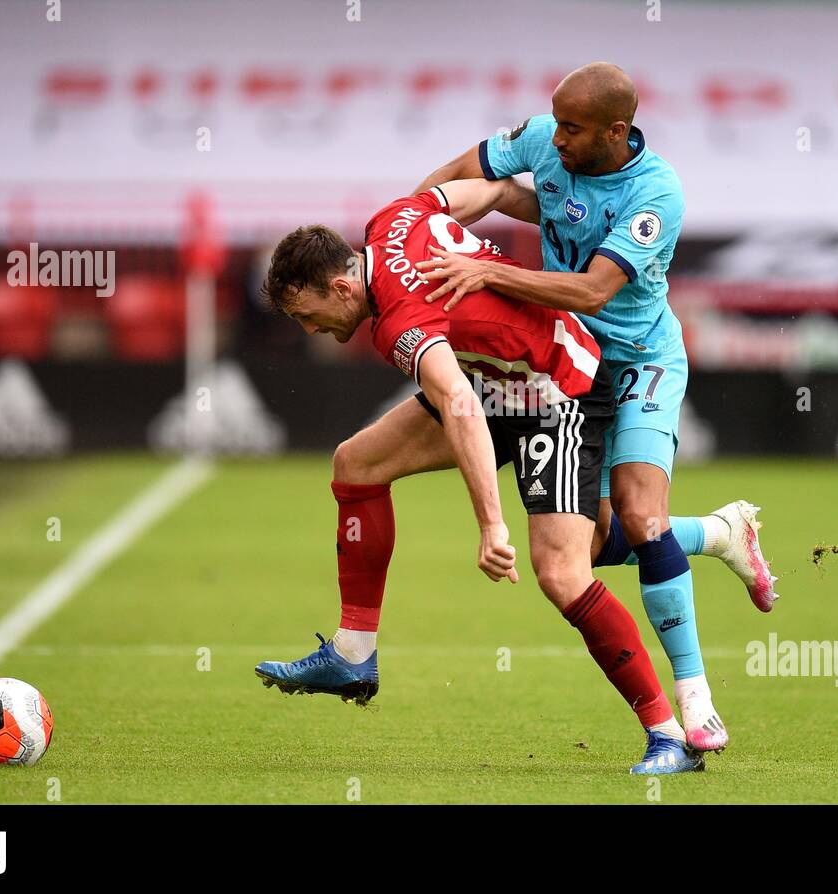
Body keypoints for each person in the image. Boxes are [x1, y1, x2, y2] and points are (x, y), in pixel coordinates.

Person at [254, 178, 705, 773]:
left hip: (556, 392)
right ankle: (353, 653)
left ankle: (669, 738)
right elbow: (484, 191)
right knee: (356, 464)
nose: (310, 330)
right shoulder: (391, 217)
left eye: (307, 316)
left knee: (562, 573)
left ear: (341, 287)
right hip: (498, 384)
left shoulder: (399, 321)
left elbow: (460, 404)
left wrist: (492, 526)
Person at [413, 62, 777, 752]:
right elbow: (470, 166)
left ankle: (695, 703)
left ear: (617, 130)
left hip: (638, 362)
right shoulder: (551, 135)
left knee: (641, 517)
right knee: (587, 546)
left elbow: (590, 292)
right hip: (568, 365)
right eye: (556, 126)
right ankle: (722, 534)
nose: (557, 145)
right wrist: (408, 221)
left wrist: (487, 269)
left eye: (573, 131)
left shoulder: (656, 192)